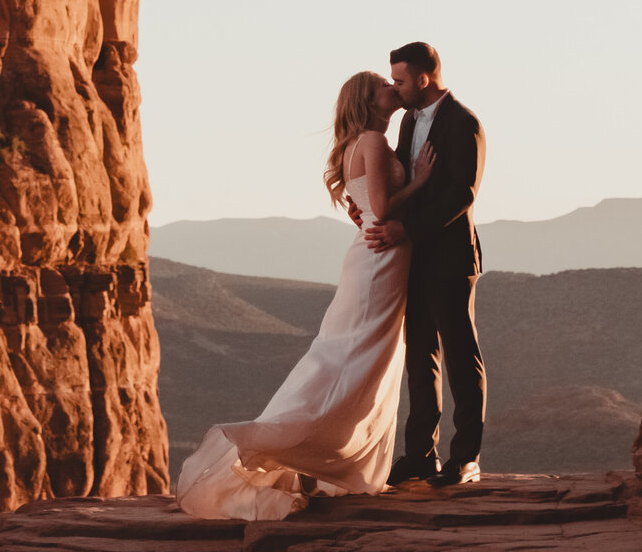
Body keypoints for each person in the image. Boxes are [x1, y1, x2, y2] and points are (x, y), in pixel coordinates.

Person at [175, 70, 435, 521]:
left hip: (377, 257)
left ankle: (311, 458)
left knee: (352, 359)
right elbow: (384, 206)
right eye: (384, 86)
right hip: (379, 261)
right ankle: (292, 443)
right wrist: (424, 179)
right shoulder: (372, 142)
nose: (393, 90)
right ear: (368, 100)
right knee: (352, 361)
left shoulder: (362, 143)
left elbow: (367, 207)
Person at [360, 41, 487, 487]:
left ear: (422, 79)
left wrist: (408, 229)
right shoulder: (410, 121)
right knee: (420, 355)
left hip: (451, 257)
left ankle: (466, 457)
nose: (395, 88)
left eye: (399, 80)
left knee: (459, 353)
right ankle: (421, 455)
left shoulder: (463, 123)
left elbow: (461, 194)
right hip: (411, 258)